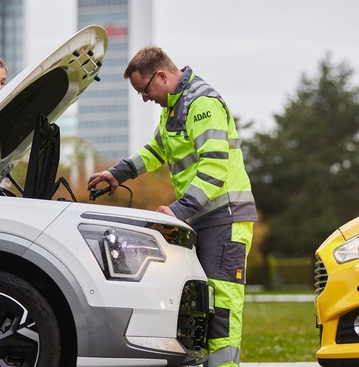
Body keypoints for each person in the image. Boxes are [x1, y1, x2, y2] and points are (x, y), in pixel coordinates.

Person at [87, 46, 256, 367]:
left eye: (145, 90)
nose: (145, 98)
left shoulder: (203, 104)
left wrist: (179, 210)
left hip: (225, 217)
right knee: (201, 301)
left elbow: (215, 166)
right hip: (201, 217)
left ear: (161, 76)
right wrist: (117, 173)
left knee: (222, 300)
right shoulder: (173, 109)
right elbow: (155, 150)